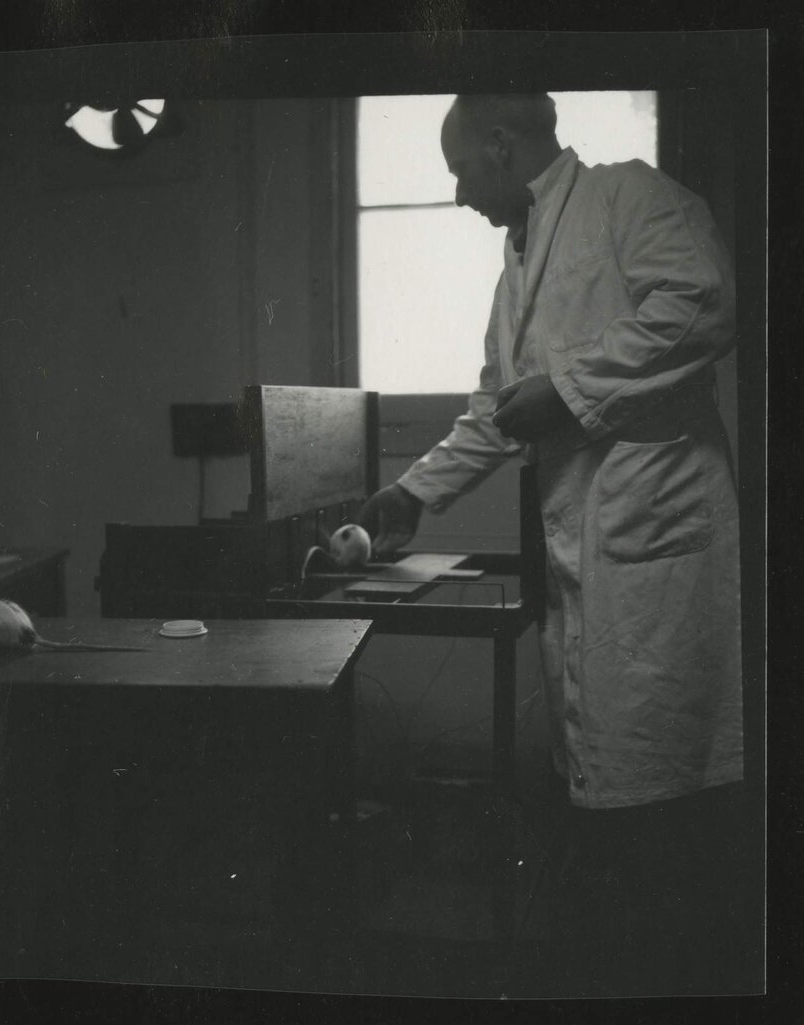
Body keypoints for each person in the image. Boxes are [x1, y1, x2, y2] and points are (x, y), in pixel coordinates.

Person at [356, 94, 751, 995]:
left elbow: (702, 303)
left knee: (670, 794)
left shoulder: (627, 198)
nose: (459, 195)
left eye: (460, 170)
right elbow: (498, 409)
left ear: (500, 144)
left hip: (655, 539)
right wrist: (413, 491)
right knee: (603, 788)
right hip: (586, 556)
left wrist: (567, 388)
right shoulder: (517, 263)